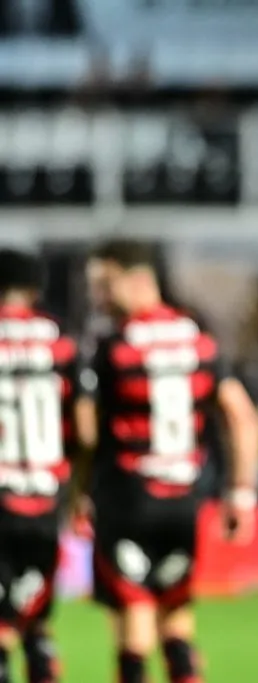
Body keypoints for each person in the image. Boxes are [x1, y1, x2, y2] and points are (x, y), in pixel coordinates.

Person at [76, 240, 258, 683]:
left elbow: (85, 431)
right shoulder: (197, 337)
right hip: (184, 500)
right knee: (176, 617)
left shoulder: (113, 344)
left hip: (126, 497)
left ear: (139, 279)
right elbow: (240, 414)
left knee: (134, 622)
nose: (97, 297)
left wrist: (79, 490)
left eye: (104, 285)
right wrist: (241, 493)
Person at [0, 249, 85, 683]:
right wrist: (80, 491)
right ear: (34, 290)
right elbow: (85, 429)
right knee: (35, 618)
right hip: (44, 498)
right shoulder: (59, 339)